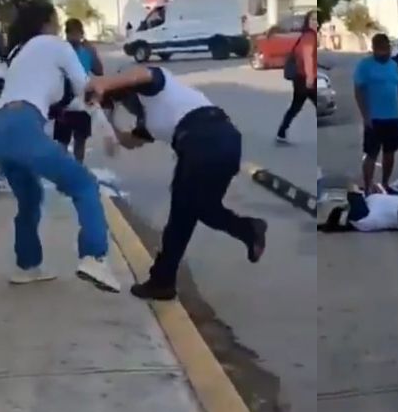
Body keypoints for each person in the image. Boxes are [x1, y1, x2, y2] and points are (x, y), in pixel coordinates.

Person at [90, 65, 268, 300]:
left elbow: (141, 74)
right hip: (219, 143)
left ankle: (164, 280)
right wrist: (108, 121)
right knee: (197, 211)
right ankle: (164, 280)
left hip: (204, 139)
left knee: (185, 215)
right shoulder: (150, 118)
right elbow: (129, 142)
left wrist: (103, 83)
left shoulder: (156, 85)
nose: (128, 104)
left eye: (125, 96)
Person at [0, 0, 119, 292]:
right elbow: (86, 87)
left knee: (30, 198)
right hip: (23, 126)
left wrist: (82, 110)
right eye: (57, 20)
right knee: (84, 185)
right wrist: (106, 129)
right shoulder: (55, 44)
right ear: (47, 22)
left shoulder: (20, 53)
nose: (59, 26)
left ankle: (28, 266)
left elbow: (66, 99)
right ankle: (94, 256)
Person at [354, 33, 398, 191]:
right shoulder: (365, 66)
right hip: (374, 119)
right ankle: (367, 187)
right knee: (371, 154)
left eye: (386, 50)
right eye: (380, 50)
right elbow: (358, 92)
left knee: (390, 153)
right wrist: (366, 117)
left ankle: (385, 183)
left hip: (393, 117)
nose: (384, 53)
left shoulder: (393, 66)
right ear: (374, 49)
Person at [52, 18, 104, 162]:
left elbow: (99, 71)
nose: (74, 37)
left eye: (77, 33)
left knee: (80, 140)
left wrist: (93, 53)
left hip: (83, 100)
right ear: (66, 34)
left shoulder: (87, 50)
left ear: (82, 33)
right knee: (62, 142)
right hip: (64, 102)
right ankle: (62, 174)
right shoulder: (61, 50)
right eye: (71, 33)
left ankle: (77, 171)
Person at [275, 10, 324, 143]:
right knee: (315, 102)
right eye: (312, 20)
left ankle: (281, 132)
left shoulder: (307, 35)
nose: (315, 23)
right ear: (307, 22)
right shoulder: (309, 36)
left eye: (317, 20)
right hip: (305, 78)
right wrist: (309, 77)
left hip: (300, 78)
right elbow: (307, 57)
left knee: (296, 106)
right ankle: (282, 132)